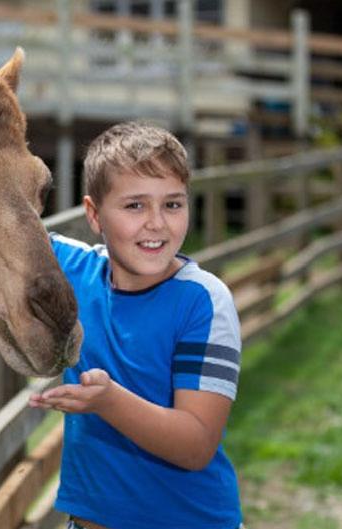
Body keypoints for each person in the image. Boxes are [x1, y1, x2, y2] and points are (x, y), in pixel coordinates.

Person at [29, 122, 243, 529]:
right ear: (94, 215)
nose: (157, 223)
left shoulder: (203, 302)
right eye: (134, 206)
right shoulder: (71, 269)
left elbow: (197, 444)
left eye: (173, 204)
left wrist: (109, 401)